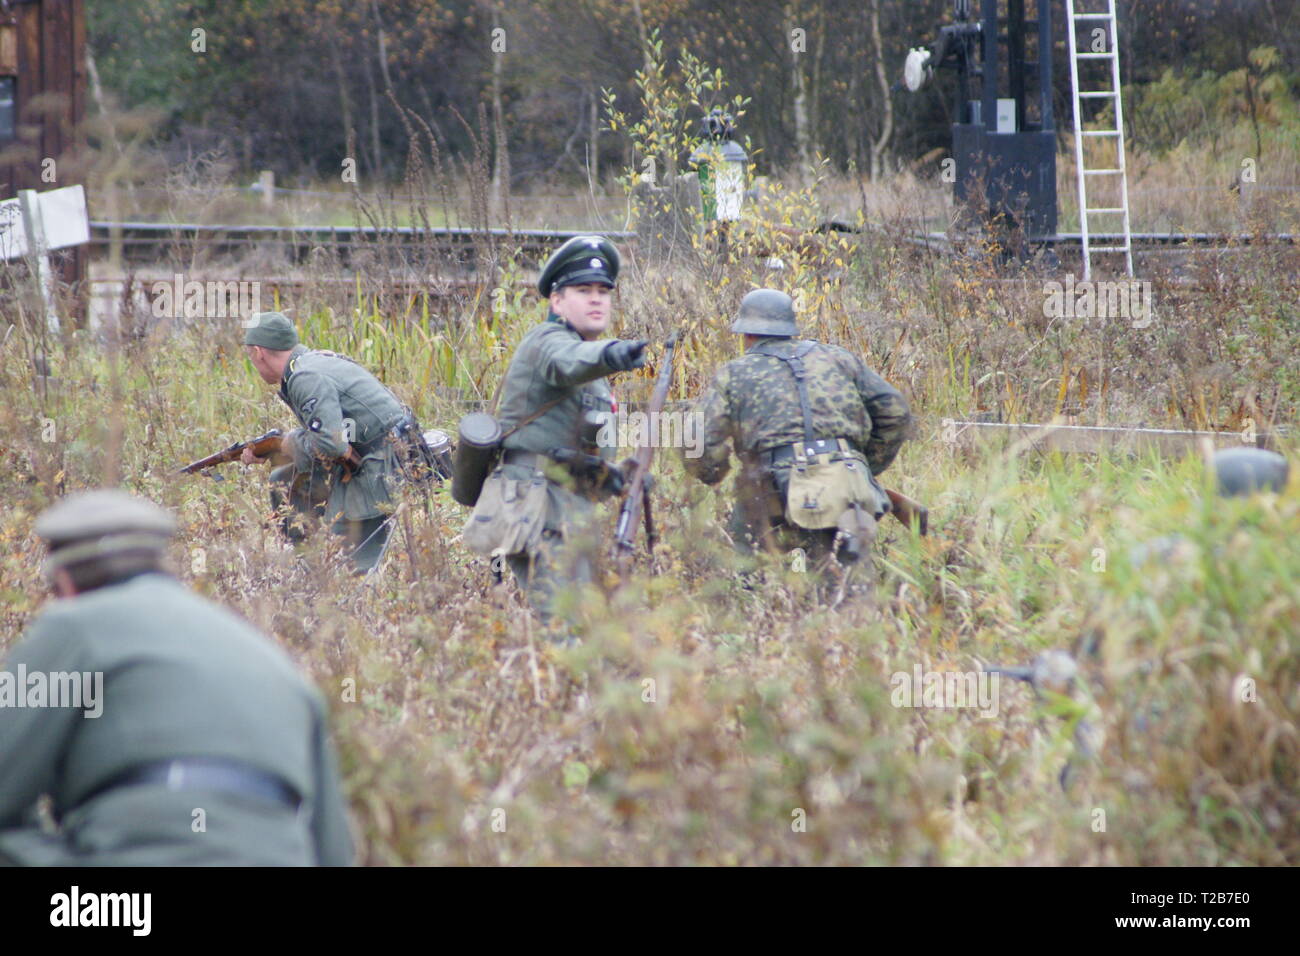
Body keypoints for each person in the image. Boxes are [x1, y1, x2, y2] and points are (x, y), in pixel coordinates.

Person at [0, 490, 353, 865]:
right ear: (160, 566)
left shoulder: (71, 626)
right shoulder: (270, 658)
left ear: (65, 583)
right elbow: (334, 851)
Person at [463, 235, 647, 628]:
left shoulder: (592, 372)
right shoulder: (549, 342)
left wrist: (617, 478)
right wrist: (613, 353)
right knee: (567, 628)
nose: (597, 299)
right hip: (538, 509)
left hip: (567, 508)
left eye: (603, 291)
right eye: (583, 290)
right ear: (557, 301)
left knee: (583, 625)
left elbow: (581, 447)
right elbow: (570, 362)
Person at [683, 288, 912, 581]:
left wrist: (713, 474)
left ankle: (760, 610)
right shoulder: (838, 358)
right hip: (846, 482)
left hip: (772, 485)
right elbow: (896, 411)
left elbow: (696, 441)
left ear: (746, 335)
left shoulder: (735, 372)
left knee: (742, 570)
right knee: (848, 579)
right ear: (789, 328)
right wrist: (863, 465)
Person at [242, 311, 414, 573]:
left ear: (259, 352)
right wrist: (273, 452)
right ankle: (308, 565)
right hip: (369, 453)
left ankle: (348, 589)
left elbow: (331, 445)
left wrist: (287, 443)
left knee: (352, 568)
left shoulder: (305, 377)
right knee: (283, 482)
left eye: (250, 355)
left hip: (378, 464)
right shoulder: (314, 362)